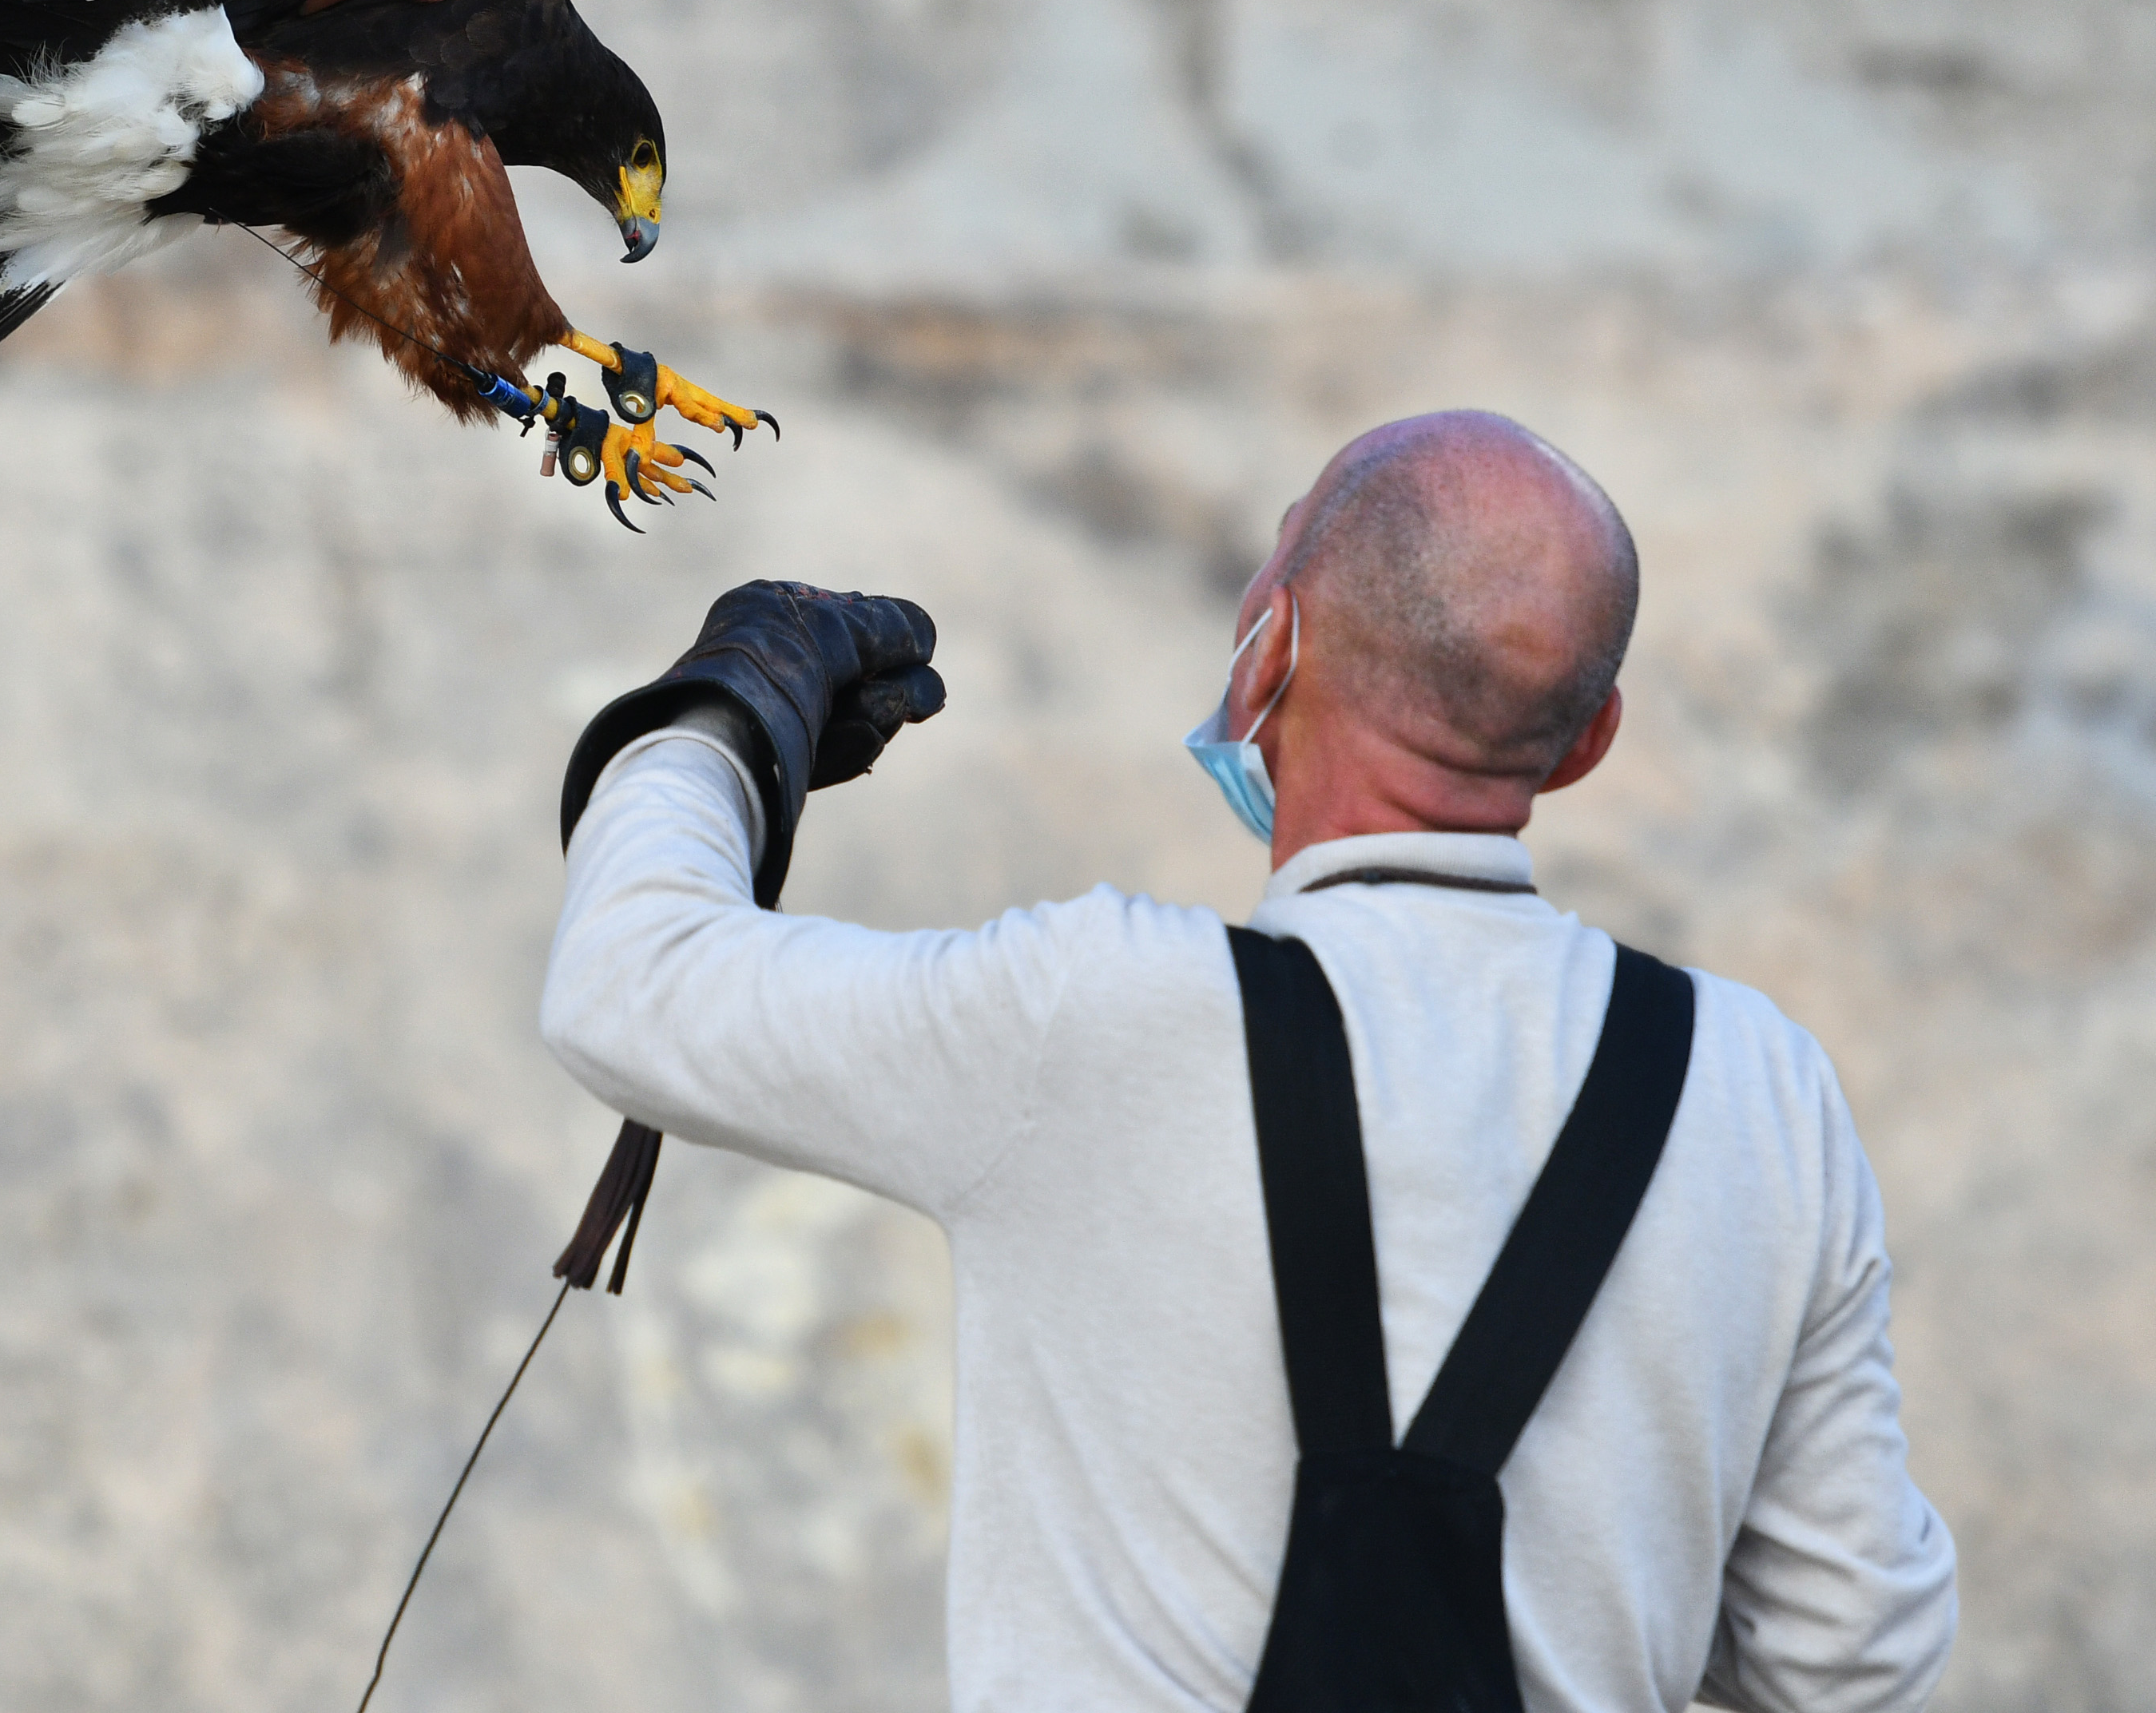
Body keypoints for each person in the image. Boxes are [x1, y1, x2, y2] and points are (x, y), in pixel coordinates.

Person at [542, 410, 1955, 1713]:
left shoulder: (1096, 1018)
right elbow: (1853, 1654)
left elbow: (630, 987)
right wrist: (1612, 1550)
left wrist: (729, 714)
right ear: (1587, 743)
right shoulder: (1756, 1090)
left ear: (1266, 648)